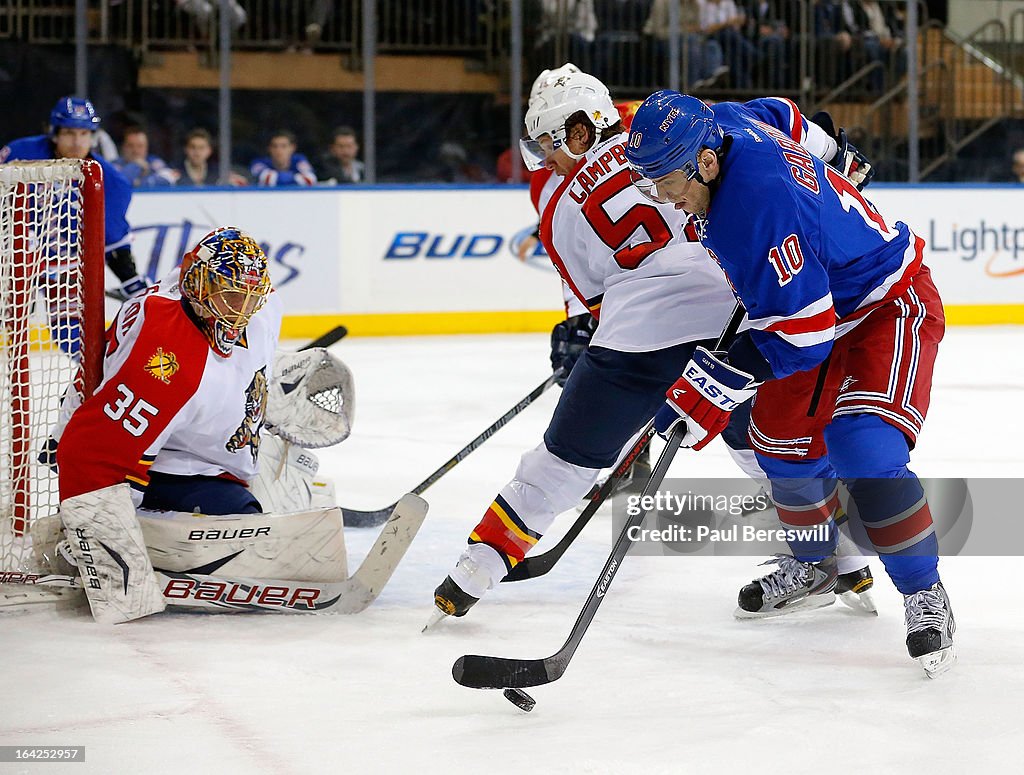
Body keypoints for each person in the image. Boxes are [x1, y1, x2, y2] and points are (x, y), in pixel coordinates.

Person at [426, 71, 876, 631]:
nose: (548, 160)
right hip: (730, 329)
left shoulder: (561, 207)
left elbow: (593, 302)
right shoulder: (684, 136)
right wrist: (832, 152)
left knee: (560, 465)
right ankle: (847, 561)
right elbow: (776, 142)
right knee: (765, 454)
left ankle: (470, 575)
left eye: (551, 145)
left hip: (633, 342)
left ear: (581, 129)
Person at [625, 92, 954, 676]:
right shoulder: (719, 121)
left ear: (705, 160)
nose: (667, 199)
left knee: (862, 447)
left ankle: (924, 594)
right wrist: (831, 152)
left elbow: (805, 336)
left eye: (670, 180)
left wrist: (712, 382)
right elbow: (783, 113)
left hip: (884, 301)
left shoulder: (755, 210)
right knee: (776, 439)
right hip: (817, 303)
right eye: (652, 183)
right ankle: (816, 565)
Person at [0, 96, 148, 304]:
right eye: (69, 133)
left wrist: (131, 280)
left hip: (65, 272)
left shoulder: (111, 181)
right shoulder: (19, 154)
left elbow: (114, 240)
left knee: (71, 332)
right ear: (55, 133)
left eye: (84, 133)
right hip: (14, 264)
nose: (77, 142)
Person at [176, 128, 248, 187]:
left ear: (209, 151)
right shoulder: (175, 171)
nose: (197, 152)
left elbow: (243, 184)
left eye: (201, 148)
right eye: (193, 147)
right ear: (186, 149)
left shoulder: (219, 172)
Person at [251, 130, 318, 187]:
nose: (279, 150)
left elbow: (310, 179)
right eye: (275, 146)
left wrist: (281, 177)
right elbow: (267, 178)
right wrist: (295, 177)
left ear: (292, 147)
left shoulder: (299, 160)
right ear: (269, 148)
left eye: (284, 146)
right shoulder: (259, 163)